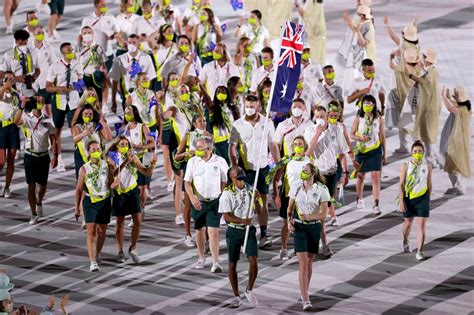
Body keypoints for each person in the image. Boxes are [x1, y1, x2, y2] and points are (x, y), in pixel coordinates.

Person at [229, 94, 281, 249]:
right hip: (245, 170)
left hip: (263, 168)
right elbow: (232, 147)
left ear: (258, 106)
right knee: (244, 202)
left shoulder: (267, 123)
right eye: (247, 106)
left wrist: (278, 165)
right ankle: (244, 234)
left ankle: (264, 234)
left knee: (262, 202)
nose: (250, 109)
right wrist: (234, 166)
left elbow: (273, 145)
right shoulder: (237, 124)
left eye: (252, 106)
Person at [306, 105, 350, 253]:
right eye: (317, 117)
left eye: (322, 117)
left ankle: (318, 237)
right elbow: (308, 152)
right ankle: (323, 242)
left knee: (326, 205)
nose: (319, 119)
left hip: (332, 173)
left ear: (327, 117)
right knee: (320, 209)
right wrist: (317, 135)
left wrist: (345, 171)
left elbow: (342, 152)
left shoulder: (336, 130)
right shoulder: (310, 131)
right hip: (317, 174)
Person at [287, 163, 330, 311]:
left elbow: (324, 214)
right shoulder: (296, 186)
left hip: (314, 227)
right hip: (299, 227)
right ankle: (305, 298)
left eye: (305, 171)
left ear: (312, 174)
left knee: (310, 261)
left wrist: (310, 216)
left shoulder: (321, 190)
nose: (302, 173)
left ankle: (304, 289)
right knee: (303, 262)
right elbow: (290, 208)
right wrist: (288, 222)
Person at [107, 136, 157, 265]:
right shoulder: (112, 157)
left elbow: (146, 172)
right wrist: (125, 163)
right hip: (120, 193)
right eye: (122, 144)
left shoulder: (132, 156)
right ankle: (120, 251)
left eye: (126, 144)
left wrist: (152, 164)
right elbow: (112, 174)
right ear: (117, 146)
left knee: (138, 221)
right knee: (120, 222)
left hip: (133, 190)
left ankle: (133, 248)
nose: (125, 146)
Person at [184, 136, 228, 272]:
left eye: (200, 147)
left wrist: (222, 196)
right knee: (199, 230)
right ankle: (201, 258)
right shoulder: (193, 162)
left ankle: (216, 263)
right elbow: (187, 182)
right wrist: (192, 197)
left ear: (209, 148)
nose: (197, 149)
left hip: (214, 202)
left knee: (213, 232)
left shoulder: (220, 161)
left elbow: (225, 181)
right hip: (198, 203)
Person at [219, 166, 260, 308]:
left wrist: (257, 201)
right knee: (232, 263)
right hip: (234, 231)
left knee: (253, 260)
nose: (241, 179)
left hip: (249, 230)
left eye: (242, 174)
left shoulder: (251, 189)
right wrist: (243, 221)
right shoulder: (227, 193)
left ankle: (249, 289)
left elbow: (259, 211)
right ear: (231, 176)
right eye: (237, 175)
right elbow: (226, 216)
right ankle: (236, 295)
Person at [13, 95, 58, 225]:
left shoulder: (48, 120)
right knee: (31, 186)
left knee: (43, 185)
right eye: (37, 100)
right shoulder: (26, 117)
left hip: (44, 156)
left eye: (41, 100)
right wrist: (21, 106)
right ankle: (33, 213)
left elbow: (53, 139)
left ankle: (39, 201)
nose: (40, 102)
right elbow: (16, 121)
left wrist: (55, 155)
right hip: (30, 155)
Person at [74, 140, 113, 272]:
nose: (96, 152)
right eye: (93, 150)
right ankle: (93, 261)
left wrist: (115, 185)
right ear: (88, 152)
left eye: (98, 149)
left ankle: (96, 253)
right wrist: (76, 208)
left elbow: (111, 183)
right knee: (91, 232)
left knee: (102, 232)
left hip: (105, 200)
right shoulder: (84, 168)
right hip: (90, 202)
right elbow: (79, 189)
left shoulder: (107, 165)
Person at [46, 42, 84, 173]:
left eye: (72, 50)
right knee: (57, 131)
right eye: (69, 51)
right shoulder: (55, 67)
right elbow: (48, 87)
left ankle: (78, 156)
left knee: (75, 128)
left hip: (73, 101)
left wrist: (77, 86)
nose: (71, 52)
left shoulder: (77, 64)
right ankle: (59, 158)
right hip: (59, 101)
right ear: (63, 53)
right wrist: (59, 88)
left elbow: (81, 82)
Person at [271, 136, 311, 260]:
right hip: (288, 197)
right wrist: (276, 194)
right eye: (295, 144)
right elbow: (276, 179)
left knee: (303, 223)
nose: (297, 146)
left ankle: (301, 249)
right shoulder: (287, 160)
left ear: (305, 146)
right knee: (287, 224)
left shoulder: (309, 161)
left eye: (300, 144)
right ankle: (283, 249)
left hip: (304, 198)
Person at [174, 114, 211, 247]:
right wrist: (186, 154)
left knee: (205, 206)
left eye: (204, 120)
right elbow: (177, 157)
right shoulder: (188, 136)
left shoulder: (208, 136)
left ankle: (206, 237)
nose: (203, 123)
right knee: (189, 205)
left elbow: (214, 154)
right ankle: (188, 235)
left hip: (205, 175)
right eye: (200, 121)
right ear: (194, 124)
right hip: (191, 175)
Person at [403, 48, 441, 166]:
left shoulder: (431, 73)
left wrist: (409, 74)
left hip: (429, 109)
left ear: (427, 59)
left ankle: (431, 160)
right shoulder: (433, 71)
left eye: (424, 57)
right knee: (427, 134)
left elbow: (422, 81)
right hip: (429, 107)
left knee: (427, 135)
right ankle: (433, 158)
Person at [350, 95, 386, 214]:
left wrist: (384, 153)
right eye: (365, 103)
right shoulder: (358, 118)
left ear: (374, 105)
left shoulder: (379, 118)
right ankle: (359, 197)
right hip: (362, 151)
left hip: (375, 150)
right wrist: (360, 138)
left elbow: (382, 136)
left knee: (376, 177)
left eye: (370, 103)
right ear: (361, 105)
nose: (367, 105)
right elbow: (352, 134)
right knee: (361, 176)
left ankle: (376, 204)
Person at [399, 141, 432, 261]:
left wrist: (428, 199)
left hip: (422, 198)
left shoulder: (427, 166)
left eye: (420, 152)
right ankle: (405, 240)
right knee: (408, 222)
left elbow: (429, 183)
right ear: (411, 153)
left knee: (421, 226)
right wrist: (402, 201)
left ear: (423, 153)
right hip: (408, 198)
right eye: (415, 152)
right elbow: (401, 184)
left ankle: (420, 251)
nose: (417, 154)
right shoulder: (406, 165)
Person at [109, 34, 157, 112]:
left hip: (143, 95)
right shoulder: (120, 59)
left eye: (134, 42)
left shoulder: (146, 58)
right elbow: (115, 80)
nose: (131, 45)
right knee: (130, 120)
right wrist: (113, 100)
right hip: (128, 95)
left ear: (139, 44)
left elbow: (151, 77)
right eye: (129, 42)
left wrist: (147, 94)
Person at [387, 48, 421, 153]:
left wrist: (391, 58)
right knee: (412, 125)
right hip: (415, 102)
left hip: (405, 102)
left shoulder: (403, 69)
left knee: (405, 125)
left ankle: (404, 146)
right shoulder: (419, 70)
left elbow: (391, 66)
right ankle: (417, 146)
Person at [440, 86, 471, 195]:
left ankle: (458, 187)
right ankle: (459, 186)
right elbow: (453, 103)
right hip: (457, 141)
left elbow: (450, 107)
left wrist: (444, 96)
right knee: (454, 164)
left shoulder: (459, 111)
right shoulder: (466, 107)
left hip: (454, 142)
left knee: (451, 165)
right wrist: (448, 97)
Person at [72, 104, 112, 178]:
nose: (88, 116)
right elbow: (74, 140)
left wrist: (104, 124)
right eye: (86, 114)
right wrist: (83, 134)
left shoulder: (96, 125)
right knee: (84, 181)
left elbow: (109, 138)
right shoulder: (77, 126)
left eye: (90, 114)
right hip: (82, 157)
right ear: (81, 114)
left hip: (98, 155)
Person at [0, 29, 40, 98]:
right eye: (21, 42)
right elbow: (1, 74)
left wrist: (33, 78)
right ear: (16, 41)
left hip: (32, 90)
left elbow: (38, 69)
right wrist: (14, 78)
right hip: (16, 91)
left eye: (25, 42)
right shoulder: (9, 55)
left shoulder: (33, 52)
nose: (23, 45)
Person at [77, 26, 108, 109]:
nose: (87, 35)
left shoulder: (98, 48)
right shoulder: (78, 49)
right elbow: (74, 66)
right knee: (82, 100)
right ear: (81, 35)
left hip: (96, 77)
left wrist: (105, 78)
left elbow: (103, 66)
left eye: (89, 32)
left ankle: (99, 117)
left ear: (93, 34)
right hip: (82, 77)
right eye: (84, 33)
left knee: (98, 99)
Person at [0, 72, 20, 198]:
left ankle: (7, 187)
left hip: (12, 127)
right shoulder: (1, 91)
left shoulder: (16, 94)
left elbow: (20, 108)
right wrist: (4, 87)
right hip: (1, 127)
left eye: (12, 80)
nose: (10, 81)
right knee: (1, 161)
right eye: (7, 79)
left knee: (11, 160)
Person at [31, 26, 57, 116]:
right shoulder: (28, 48)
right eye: (38, 33)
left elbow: (54, 64)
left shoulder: (48, 47)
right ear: (33, 34)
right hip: (32, 84)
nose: (41, 35)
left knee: (48, 109)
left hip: (44, 82)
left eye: (42, 33)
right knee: (36, 109)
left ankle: (49, 125)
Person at [295, 0, 327, 65]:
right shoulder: (316, 3)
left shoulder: (311, 3)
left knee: (315, 58)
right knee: (320, 56)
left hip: (315, 34)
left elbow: (304, 15)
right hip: (321, 32)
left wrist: (297, 5)